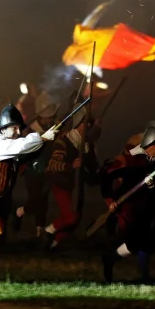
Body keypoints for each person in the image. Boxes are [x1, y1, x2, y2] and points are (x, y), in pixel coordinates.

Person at [0, 104, 57, 281]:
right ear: (3, 128)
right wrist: (43, 138)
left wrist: (44, 141)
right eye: (13, 128)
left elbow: (24, 150)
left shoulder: (8, 142)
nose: (16, 131)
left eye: (18, 128)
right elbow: (20, 147)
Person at [100, 119, 155, 283]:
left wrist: (154, 183)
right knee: (136, 242)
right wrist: (109, 200)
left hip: (148, 206)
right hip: (129, 207)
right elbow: (106, 176)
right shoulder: (129, 159)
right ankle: (111, 258)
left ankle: (144, 276)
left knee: (145, 242)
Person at [43, 103, 99, 250]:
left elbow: (93, 167)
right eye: (87, 123)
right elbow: (54, 164)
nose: (89, 126)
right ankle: (48, 231)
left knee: (75, 220)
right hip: (61, 183)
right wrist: (70, 166)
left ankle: (54, 243)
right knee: (70, 216)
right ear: (80, 124)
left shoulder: (88, 146)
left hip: (76, 185)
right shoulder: (64, 142)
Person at [12, 91, 59, 237]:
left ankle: (39, 229)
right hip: (32, 169)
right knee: (35, 199)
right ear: (40, 116)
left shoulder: (53, 126)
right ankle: (20, 212)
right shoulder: (29, 130)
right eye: (48, 117)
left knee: (44, 200)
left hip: (47, 168)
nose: (50, 119)